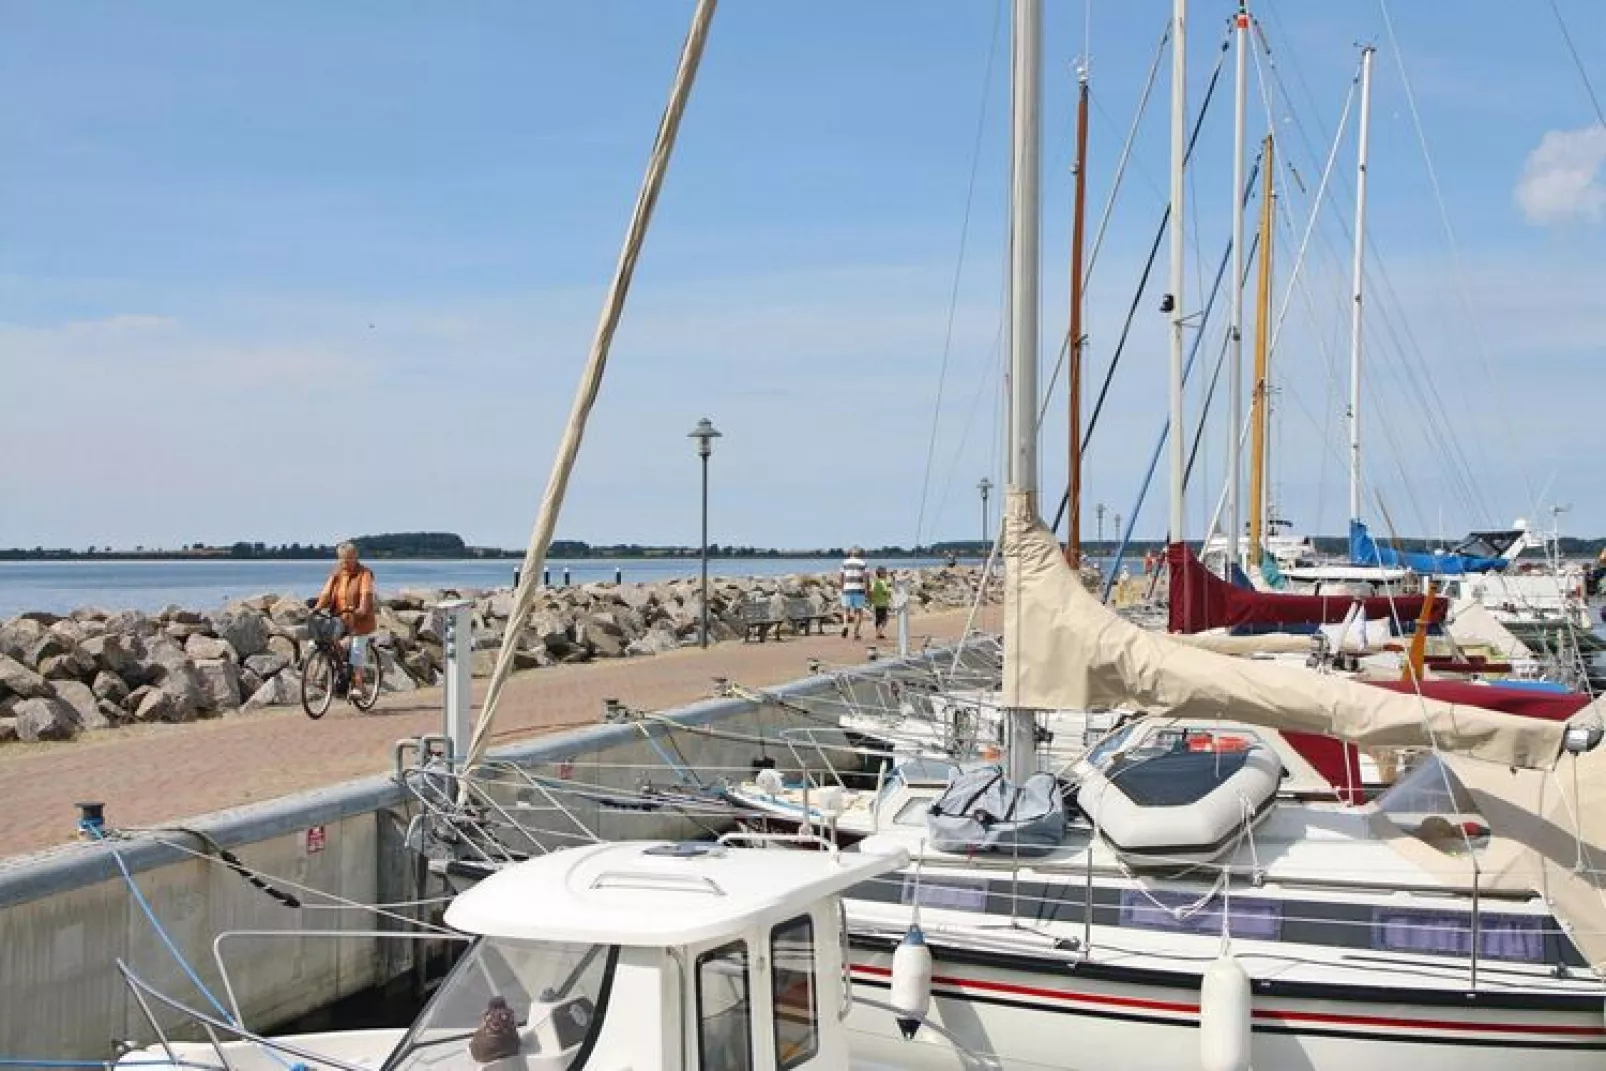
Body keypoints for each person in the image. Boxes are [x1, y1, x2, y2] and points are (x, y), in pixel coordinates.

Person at [313, 541, 377, 697]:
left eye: (348, 558)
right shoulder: (336, 574)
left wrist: (362, 609)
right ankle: (341, 673)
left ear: (356, 557)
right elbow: (326, 593)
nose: (345, 562)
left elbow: (366, 593)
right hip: (340, 618)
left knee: (356, 649)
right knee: (329, 642)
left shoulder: (364, 574)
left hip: (360, 620)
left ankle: (359, 685)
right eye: (341, 559)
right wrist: (317, 608)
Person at [839, 546, 868, 640]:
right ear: (860, 554)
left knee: (846, 610)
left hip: (847, 588)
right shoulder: (863, 563)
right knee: (858, 612)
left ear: (850, 553)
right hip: (859, 589)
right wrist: (867, 589)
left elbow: (841, 576)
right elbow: (866, 578)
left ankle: (845, 625)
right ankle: (856, 633)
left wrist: (842, 588)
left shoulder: (844, 563)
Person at [869, 566, 893, 640]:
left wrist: (871, 600)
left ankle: (879, 633)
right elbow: (886, 592)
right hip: (883, 603)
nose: (886, 574)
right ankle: (879, 633)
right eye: (885, 573)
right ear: (882, 574)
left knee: (878, 619)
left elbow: (871, 592)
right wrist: (890, 594)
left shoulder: (874, 581)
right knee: (884, 619)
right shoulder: (883, 582)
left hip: (876, 603)